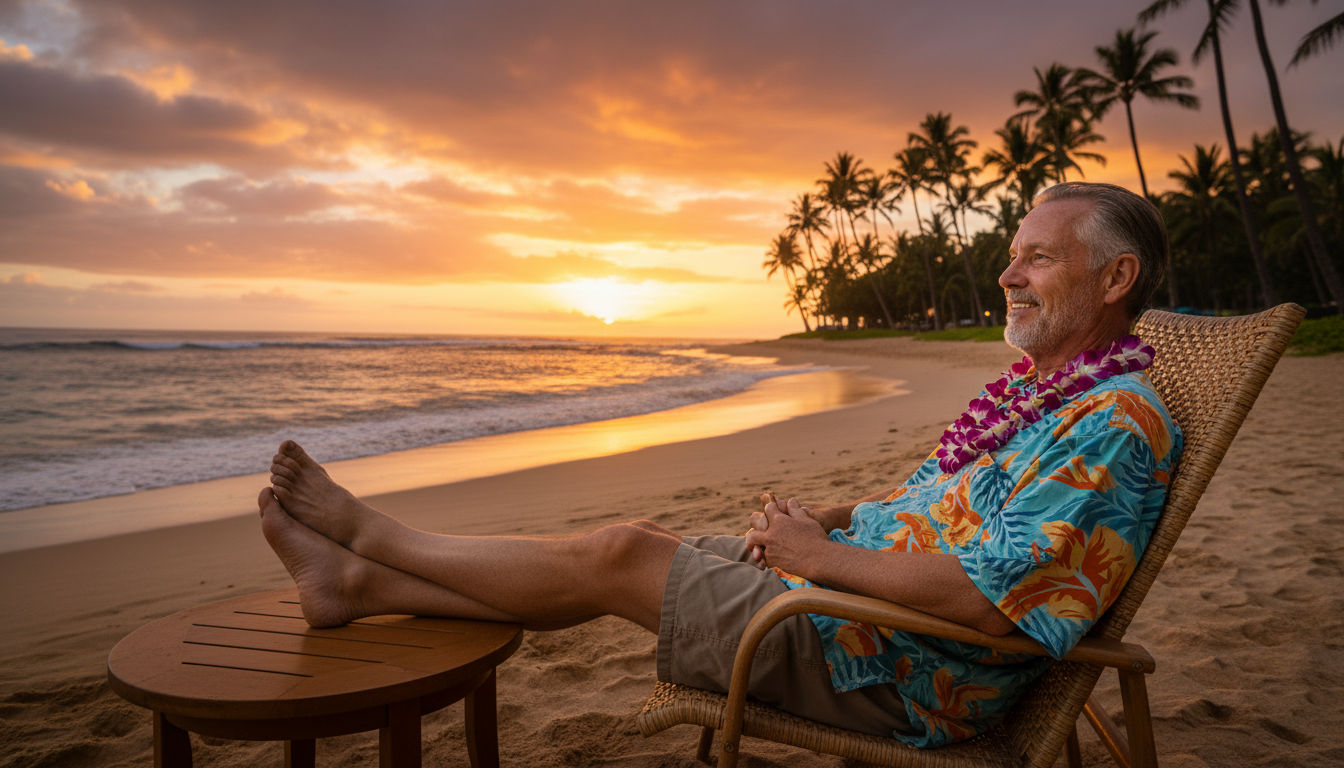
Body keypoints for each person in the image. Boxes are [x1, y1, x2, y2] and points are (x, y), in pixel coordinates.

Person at [259, 181, 1181, 748]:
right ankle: (355, 583)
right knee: (620, 558)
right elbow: (954, 503)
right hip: (859, 605)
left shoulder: (1115, 423)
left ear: (1115, 280)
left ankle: (373, 536)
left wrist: (817, 560)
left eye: (1038, 259)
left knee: (621, 553)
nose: (1008, 277)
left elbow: (992, 600)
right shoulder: (1045, 396)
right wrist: (836, 514)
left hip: (896, 663)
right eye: (1012, 257)